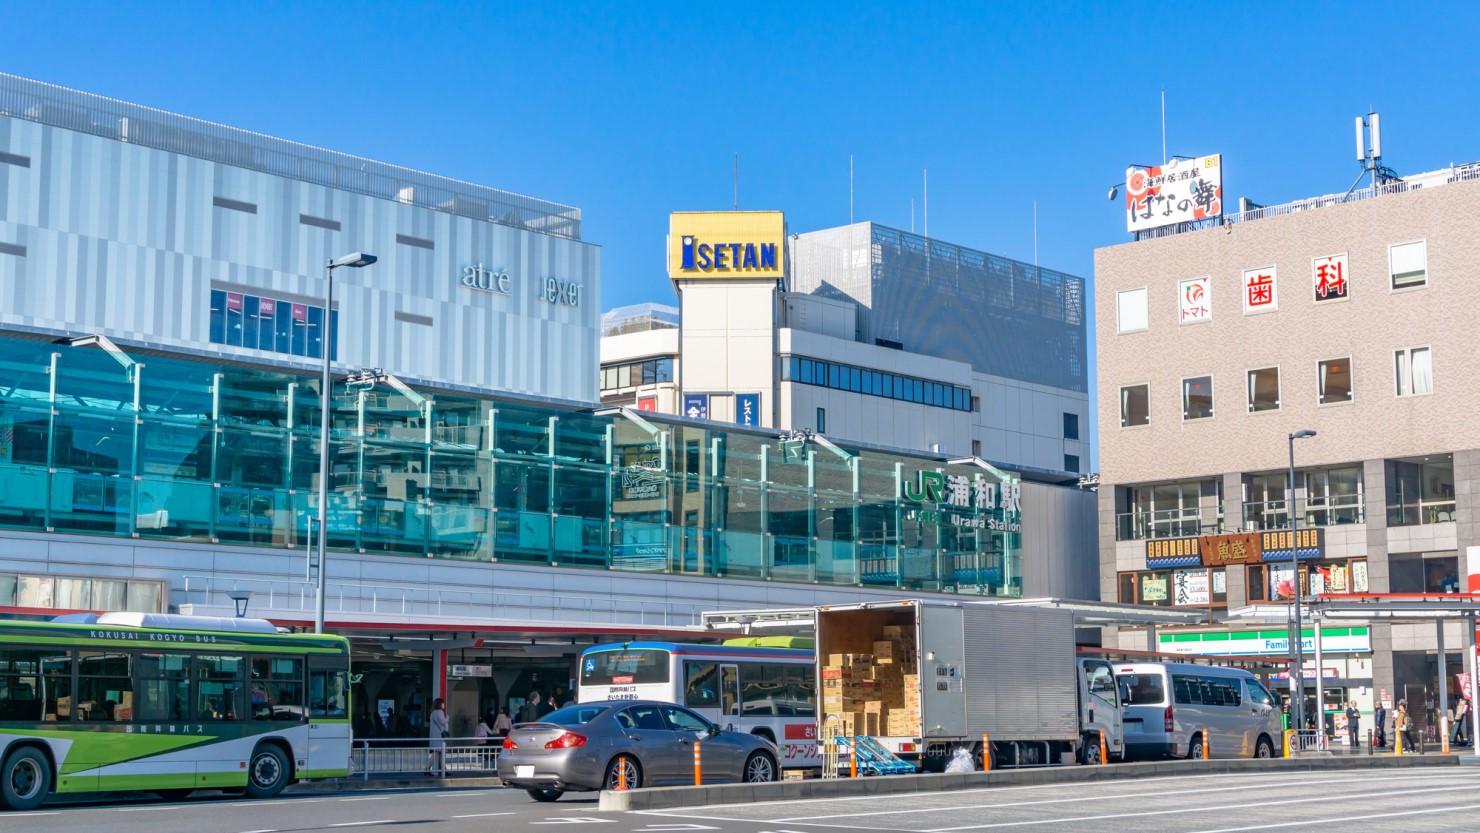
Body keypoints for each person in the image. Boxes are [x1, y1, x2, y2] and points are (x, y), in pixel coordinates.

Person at [427, 697, 448, 776]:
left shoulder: (433, 713)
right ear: (440, 704)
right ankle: (427, 769)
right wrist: (447, 718)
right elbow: (443, 721)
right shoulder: (440, 712)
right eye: (443, 703)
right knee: (437, 752)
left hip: (433, 735)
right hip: (438, 735)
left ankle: (444, 770)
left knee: (438, 753)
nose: (444, 705)